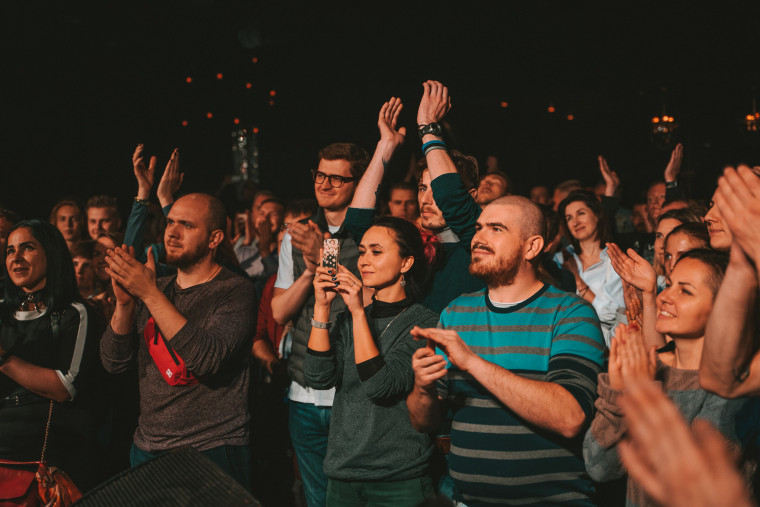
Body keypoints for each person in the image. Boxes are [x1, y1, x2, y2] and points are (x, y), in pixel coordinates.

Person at [408, 195, 605, 506]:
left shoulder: (571, 313)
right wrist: (422, 388)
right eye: (478, 228)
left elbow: (570, 418)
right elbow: (424, 423)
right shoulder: (456, 313)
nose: (479, 238)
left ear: (532, 247)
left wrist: (472, 363)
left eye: (496, 229)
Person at [99, 193, 257, 489]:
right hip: (148, 448)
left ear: (214, 238)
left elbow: (206, 361)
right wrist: (124, 305)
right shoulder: (156, 288)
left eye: (186, 225)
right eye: (170, 222)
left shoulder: (234, 291)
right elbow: (113, 363)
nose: (171, 232)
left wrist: (148, 294)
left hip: (211, 448)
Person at [584, 249, 752, 507]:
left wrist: (642, 398)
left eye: (685, 291)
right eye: (669, 285)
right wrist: (617, 395)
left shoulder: (734, 387)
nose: (665, 297)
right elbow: (599, 468)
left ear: (723, 308)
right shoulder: (647, 369)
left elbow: (694, 486)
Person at [304, 216, 438, 505]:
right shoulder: (348, 319)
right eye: (362, 251)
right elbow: (317, 378)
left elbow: (380, 385)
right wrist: (322, 306)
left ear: (406, 263)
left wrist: (357, 311)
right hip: (343, 473)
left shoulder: (423, 323)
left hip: (398, 477)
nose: (364, 260)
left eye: (376, 252)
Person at [271, 141, 369, 507]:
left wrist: (322, 251)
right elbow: (279, 311)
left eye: (336, 178)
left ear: (357, 184)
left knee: (351, 496)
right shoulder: (295, 235)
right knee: (316, 497)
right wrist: (308, 270)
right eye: (320, 175)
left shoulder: (369, 237)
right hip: (303, 394)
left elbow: (352, 300)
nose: (324, 184)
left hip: (349, 392)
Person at [0, 219, 106, 491]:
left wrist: (5, 359)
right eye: (10, 250)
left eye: (27, 248)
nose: (16, 257)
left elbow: (64, 387)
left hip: (46, 460)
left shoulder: (72, 313)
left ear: (51, 253)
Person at [699, 165, 760, 396]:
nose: (708, 217)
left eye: (725, 207)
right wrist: (741, 261)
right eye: (712, 205)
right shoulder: (737, 275)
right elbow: (717, 380)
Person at [555, 190, 625, 343]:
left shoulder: (614, 260)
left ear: (597, 215)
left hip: (603, 345)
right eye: (569, 218)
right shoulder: (560, 258)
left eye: (581, 213)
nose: (575, 222)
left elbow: (612, 314)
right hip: (563, 340)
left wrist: (578, 281)